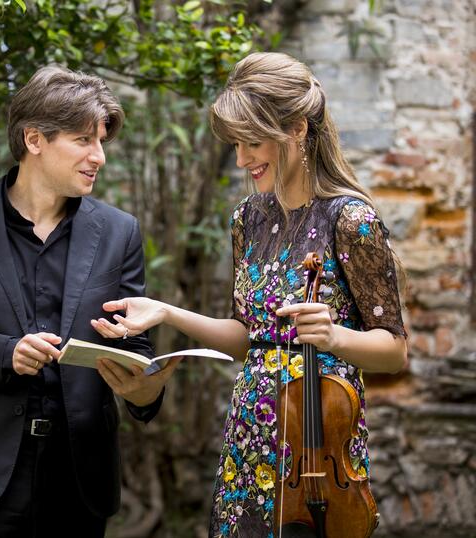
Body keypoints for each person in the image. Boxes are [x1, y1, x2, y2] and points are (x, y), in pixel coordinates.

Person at [91, 52, 408, 537]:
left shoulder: (350, 220)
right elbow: (248, 338)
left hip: (318, 448)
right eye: (236, 144)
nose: (242, 159)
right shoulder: (248, 218)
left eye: (253, 142)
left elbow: (394, 351)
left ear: (298, 129)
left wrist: (335, 337)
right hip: (250, 437)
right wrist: (166, 312)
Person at [0, 65, 179, 538]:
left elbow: (136, 349)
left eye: (101, 143)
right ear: (34, 140)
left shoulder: (120, 233)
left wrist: (144, 389)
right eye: (83, 141)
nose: (99, 157)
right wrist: (4, 353)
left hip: (80, 478)